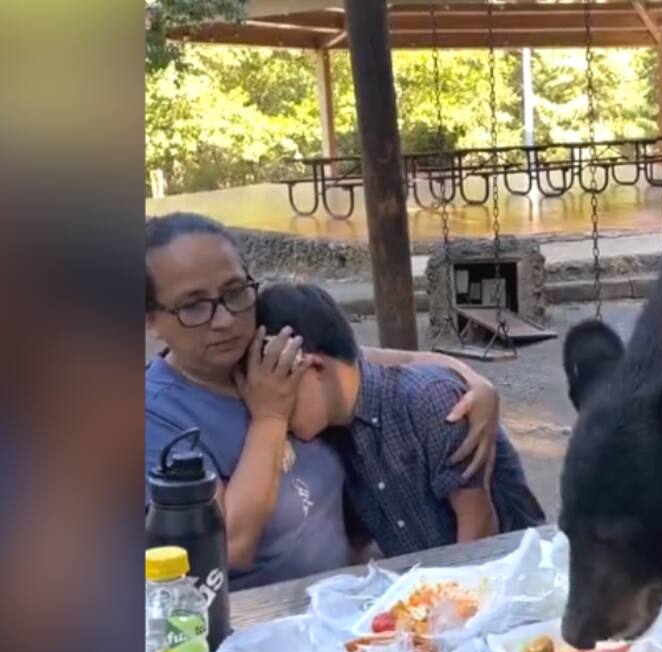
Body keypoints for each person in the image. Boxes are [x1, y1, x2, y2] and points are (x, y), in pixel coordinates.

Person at [145, 212, 502, 589]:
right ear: (151, 321)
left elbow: (367, 363)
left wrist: (476, 384)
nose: (225, 321)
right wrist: (269, 419)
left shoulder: (267, 351)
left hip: (348, 602)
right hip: (258, 623)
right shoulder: (155, 417)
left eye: (235, 292)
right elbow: (227, 547)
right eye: (193, 307)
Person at [257, 282, 546, 557]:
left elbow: (478, 529)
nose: (275, 412)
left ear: (313, 367)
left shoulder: (430, 402)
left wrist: (448, 605)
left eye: (280, 394)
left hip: (507, 571)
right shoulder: (333, 433)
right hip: (426, 584)